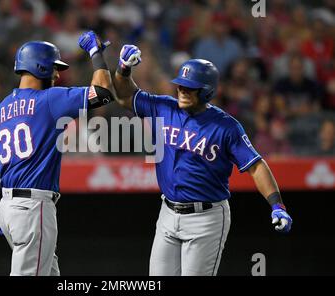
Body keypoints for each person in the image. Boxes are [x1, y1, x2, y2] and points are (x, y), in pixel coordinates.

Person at [112, 44, 293, 276]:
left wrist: (277, 206)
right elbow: (125, 95)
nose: (182, 91)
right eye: (180, 86)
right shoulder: (164, 108)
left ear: (207, 91)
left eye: (190, 88)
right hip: (167, 212)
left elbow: (256, 166)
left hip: (206, 219)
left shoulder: (226, 127)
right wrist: (124, 68)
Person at [0, 31, 115, 276]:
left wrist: (2, 206)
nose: (57, 74)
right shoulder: (49, 100)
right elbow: (104, 93)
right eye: (53, 68)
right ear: (39, 67)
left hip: (9, 209)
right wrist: (95, 52)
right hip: (33, 209)